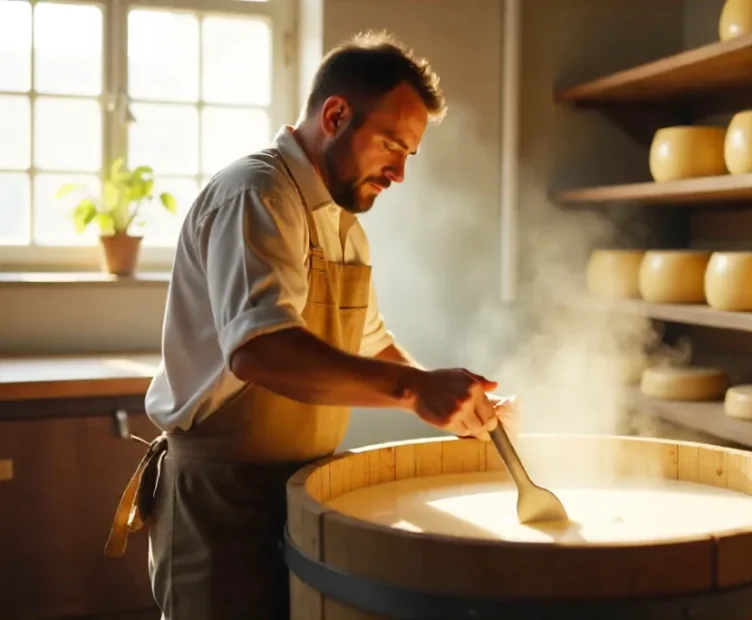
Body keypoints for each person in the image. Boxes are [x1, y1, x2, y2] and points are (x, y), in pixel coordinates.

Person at [103, 30, 520, 620]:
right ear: (336, 113)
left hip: (298, 495)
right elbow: (260, 350)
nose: (400, 172)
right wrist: (414, 392)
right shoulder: (256, 194)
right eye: (391, 146)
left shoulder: (343, 224)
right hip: (221, 500)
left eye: (410, 155)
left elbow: (373, 346)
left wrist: (457, 404)